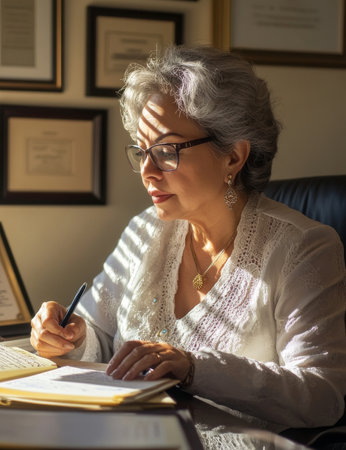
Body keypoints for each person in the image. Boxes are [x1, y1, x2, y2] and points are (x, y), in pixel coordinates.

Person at [30, 45, 346, 428]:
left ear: (233, 156)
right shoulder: (146, 230)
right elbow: (99, 331)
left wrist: (194, 368)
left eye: (166, 150)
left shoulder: (302, 248)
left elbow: (321, 396)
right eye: (142, 151)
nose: (147, 171)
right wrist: (70, 337)